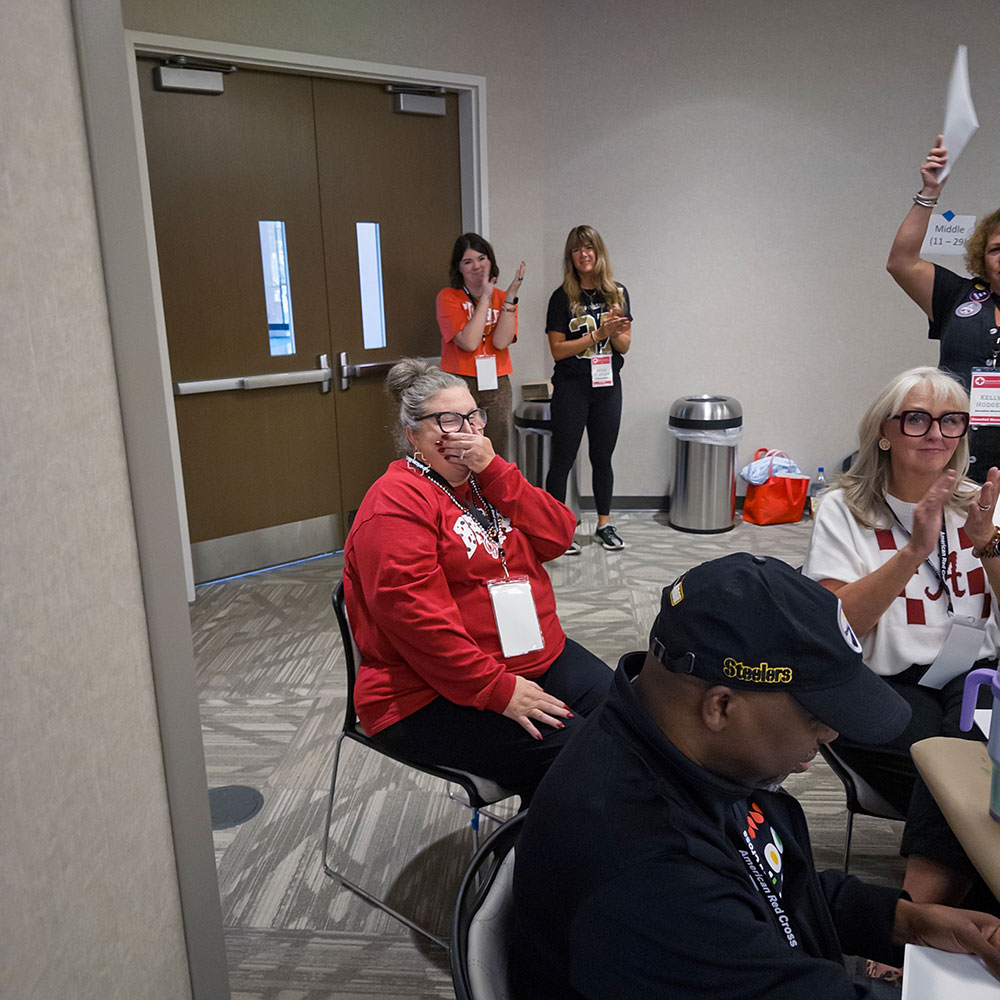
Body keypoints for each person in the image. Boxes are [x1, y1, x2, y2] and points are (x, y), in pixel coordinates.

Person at [511, 553, 1000, 999]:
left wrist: (906, 921)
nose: (830, 734)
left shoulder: (671, 739)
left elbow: (767, 880)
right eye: (816, 714)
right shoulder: (652, 877)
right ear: (721, 706)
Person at [342, 359, 611, 804]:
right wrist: (499, 690)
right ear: (414, 435)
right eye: (447, 420)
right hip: (425, 692)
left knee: (629, 719)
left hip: (533, 654)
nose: (465, 431)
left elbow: (559, 535)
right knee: (585, 758)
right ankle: (545, 858)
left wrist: (499, 472)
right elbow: (417, 623)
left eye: (472, 417)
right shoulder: (395, 503)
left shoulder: (486, 483)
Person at [803, 367, 999, 910]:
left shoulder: (982, 505)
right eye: (917, 419)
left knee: (970, 755)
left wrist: (987, 546)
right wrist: (913, 550)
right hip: (877, 680)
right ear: (884, 432)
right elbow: (835, 626)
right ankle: (928, 919)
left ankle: (923, 920)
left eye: (950, 421)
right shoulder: (844, 508)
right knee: (963, 765)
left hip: (973, 674)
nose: (936, 433)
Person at [886, 135, 1000, 482]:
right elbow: (902, 262)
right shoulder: (959, 296)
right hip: (955, 457)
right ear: (982, 257)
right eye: (996, 249)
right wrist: (929, 193)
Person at [544, 225, 632, 553]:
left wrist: (613, 329)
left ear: (599, 252)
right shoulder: (561, 296)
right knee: (563, 458)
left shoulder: (617, 293)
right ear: (571, 256)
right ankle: (557, 531)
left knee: (602, 457)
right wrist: (597, 335)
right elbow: (558, 349)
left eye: (590, 248)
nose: (585, 254)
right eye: (578, 249)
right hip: (572, 386)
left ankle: (604, 526)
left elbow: (624, 345)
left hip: (607, 385)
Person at [435, 233, 525, 460]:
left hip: (497, 380)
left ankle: (493, 495)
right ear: (459, 268)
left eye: (481, 258)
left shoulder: (504, 297)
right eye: (468, 261)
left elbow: (501, 342)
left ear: (491, 262)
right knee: (459, 446)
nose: (476, 266)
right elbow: (469, 342)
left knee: (496, 448)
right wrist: (485, 298)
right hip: (458, 380)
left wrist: (510, 297)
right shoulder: (448, 297)